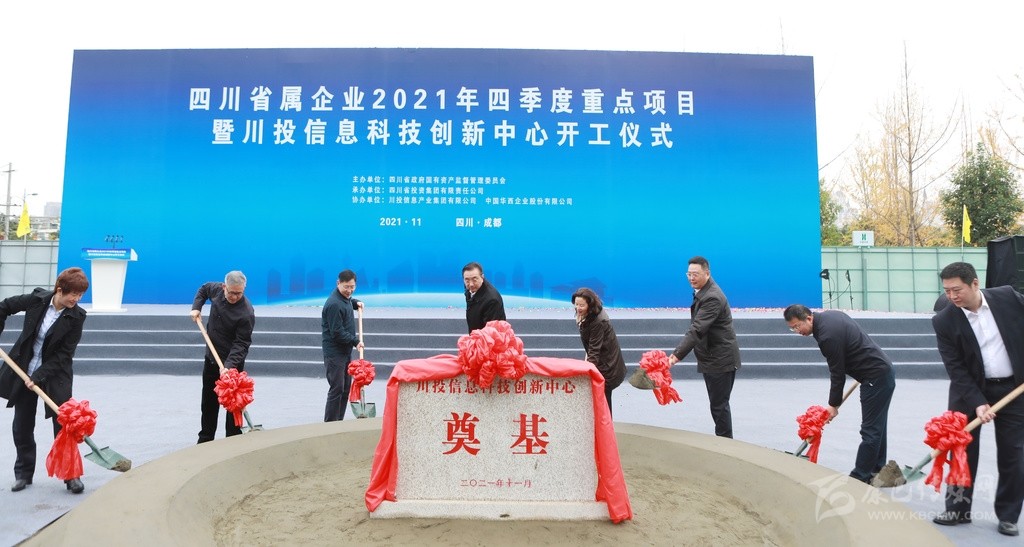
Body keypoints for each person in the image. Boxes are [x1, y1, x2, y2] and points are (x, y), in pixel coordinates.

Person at [930, 261, 1024, 537]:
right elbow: (955, 367)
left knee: (1013, 454)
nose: (951, 296)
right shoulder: (944, 320)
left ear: (974, 283)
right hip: (968, 391)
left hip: (1013, 389)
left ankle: (1008, 516)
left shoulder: (1008, 298)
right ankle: (957, 509)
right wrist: (978, 402)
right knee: (961, 451)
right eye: (947, 291)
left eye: (956, 290)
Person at [783, 304, 896, 484]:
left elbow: (837, 372)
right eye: (792, 328)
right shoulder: (831, 316)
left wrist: (833, 405)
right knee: (877, 427)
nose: (797, 331)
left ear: (809, 318)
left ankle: (859, 477)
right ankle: (877, 469)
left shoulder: (827, 336)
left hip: (875, 377)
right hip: (880, 371)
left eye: (797, 326)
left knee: (870, 430)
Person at [0, 267, 89, 494]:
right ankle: (23, 474)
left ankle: (71, 476)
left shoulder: (77, 317)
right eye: (73, 294)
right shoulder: (37, 300)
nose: (77, 299)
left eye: (80, 295)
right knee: (22, 425)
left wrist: (38, 377)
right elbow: (4, 306)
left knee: (64, 426)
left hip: (55, 374)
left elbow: (64, 355)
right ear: (59, 290)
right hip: (24, 370)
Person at [668, 256, 740, 438]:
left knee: (719, 406)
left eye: (696, 274)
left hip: (720, 359)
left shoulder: (712, 297)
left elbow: (697, 329)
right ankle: (724, 442)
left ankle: (725, 444)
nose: (691, 278)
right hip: (712, 356)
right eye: (689, 274)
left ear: (707, 273)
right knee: (718, 404)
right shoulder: (704, 291)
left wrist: (675, 356)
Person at [190, 271, 255, 443]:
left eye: (239, 293)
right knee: (208, 403)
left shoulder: (246, 312)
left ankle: (232, 441)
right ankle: (205, 440)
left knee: (233, 405)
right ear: (224, 287)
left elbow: (242, 343)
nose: (235, 297)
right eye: (231, 292)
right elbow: (203, 289)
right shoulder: (216, 290)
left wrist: (228, 366)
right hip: (211, 358)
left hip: (232, 364)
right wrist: (196, 307)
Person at [572, 288, 627, 417]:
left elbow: (594, 352)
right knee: (600, 403)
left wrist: (586, 371)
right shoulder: (588, 315)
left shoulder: (598, 322)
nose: (578, 308)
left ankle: (606, 428)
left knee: (604, 404)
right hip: (603, 363)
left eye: (581, 305)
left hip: (608, 367)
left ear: (590, 304)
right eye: (576, 304)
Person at [322, 269, 364, 422]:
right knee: (337, 388)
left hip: (345, 351)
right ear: (338, 283)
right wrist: (355, 341)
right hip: (334, 353)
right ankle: (330, 424)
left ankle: (338, 421)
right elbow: (337, 332)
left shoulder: (344, 298)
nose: (349, 290)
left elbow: (348, 301)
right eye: (346, 287)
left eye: (352, 287)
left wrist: (355, 302)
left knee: (346, 388)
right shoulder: (334, 304)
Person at [463, 262, 506, 333]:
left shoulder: (492, 300)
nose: (471, 284)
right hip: (476, 334)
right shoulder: (472, 289)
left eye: (474, 280)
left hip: (489, 338)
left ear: (482, 277)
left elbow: (491, 333)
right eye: (467, 280)